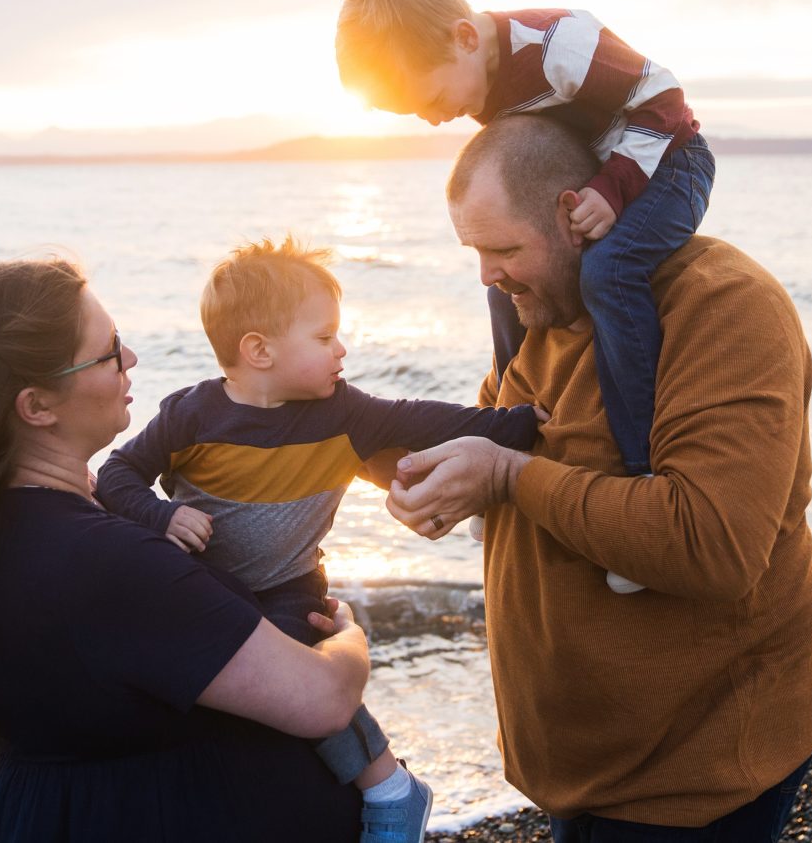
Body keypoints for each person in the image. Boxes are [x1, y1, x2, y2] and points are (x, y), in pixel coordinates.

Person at [385, 115, 812, 842]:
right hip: (579, 769)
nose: (486, 276)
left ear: (573, 214)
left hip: (692, 777)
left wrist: (505, 474)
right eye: (474, 251)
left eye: (502, 249)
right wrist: (441, 482)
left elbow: (711, 541)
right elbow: (516, 452)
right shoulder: (539, 312)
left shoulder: (723, 304)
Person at [0, 257, 371, 842]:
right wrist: (346, 636)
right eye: (110, 350)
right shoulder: (102, 560)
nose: (132, 360)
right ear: (37, 406)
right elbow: (322, 700)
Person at [96, 236, 543, 843]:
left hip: (290, 585)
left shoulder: (344, 414)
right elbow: (119, 474)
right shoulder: (190, 416)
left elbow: (427, 418)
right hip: (209, 585)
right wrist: (160, 516)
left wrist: (520, 425)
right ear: (259, 351)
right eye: (325, 337)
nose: (343, 350)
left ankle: (387, 786)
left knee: (288, 666)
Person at [336, 0, 714, 551]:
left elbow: (665, 103)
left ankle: (637, 462)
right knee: (502, 285)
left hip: (669, 165)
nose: (436, 119)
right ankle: (511, 429)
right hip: (597, 175)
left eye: (433, 100)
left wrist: (612, 189)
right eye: (418, 115)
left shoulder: (559, 45)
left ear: (465, 37)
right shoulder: (479, 76)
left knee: (609, 272)